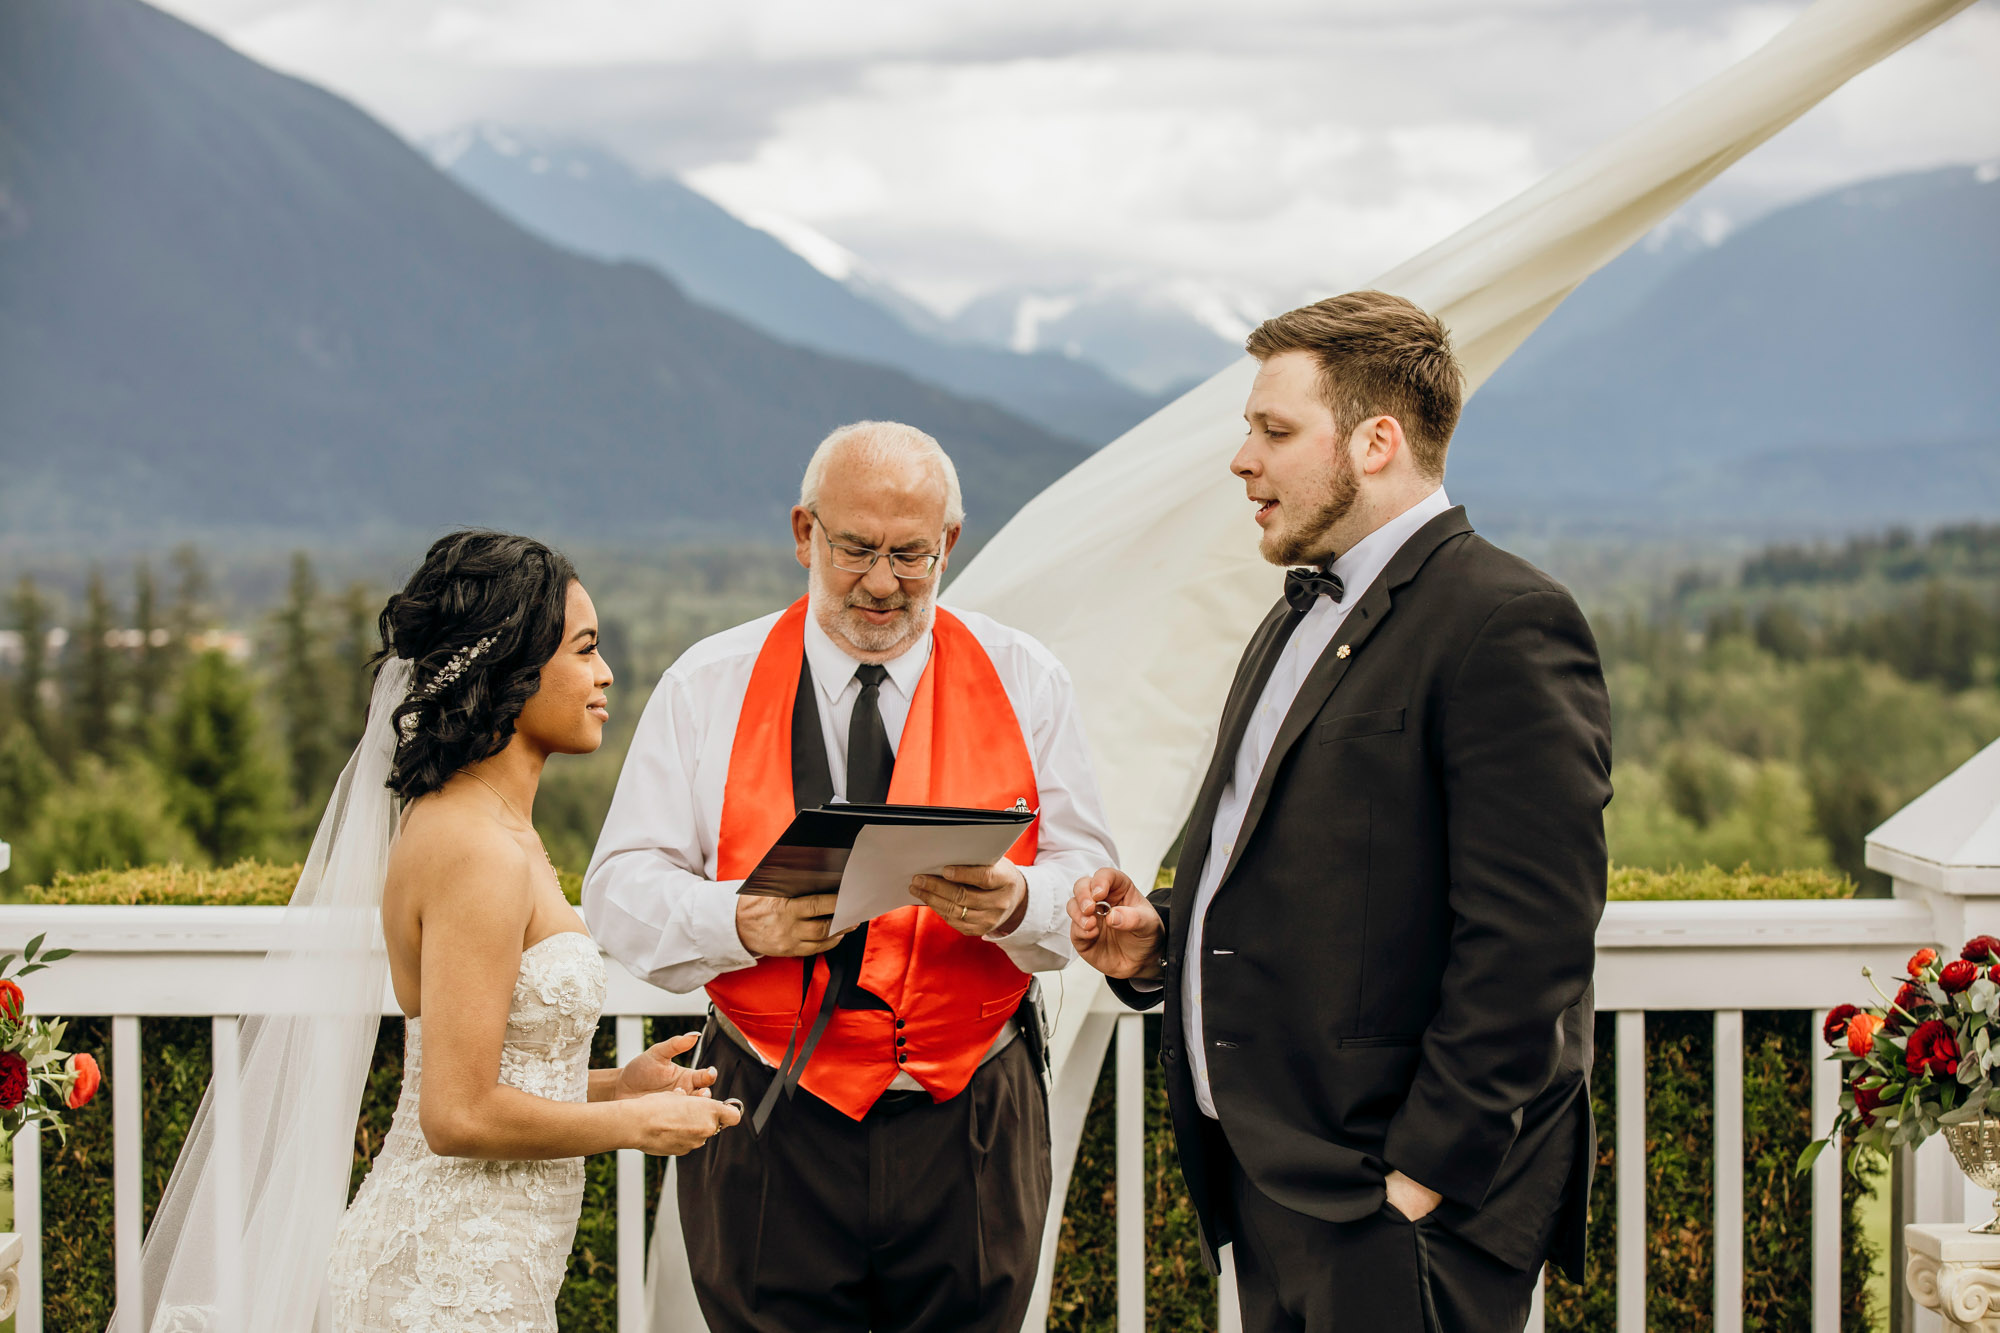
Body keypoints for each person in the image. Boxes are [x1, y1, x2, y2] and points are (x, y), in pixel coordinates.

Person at [1068, 293, 1611, 1333]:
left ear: (1374, 442)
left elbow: (1531, 941)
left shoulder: (1503, 622)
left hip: (1390, 1203)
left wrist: (1418, 1181)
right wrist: (1161, 941)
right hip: (1274, 1184)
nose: (1241, 459)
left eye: (1272, 431)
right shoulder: (1292, 621)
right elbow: (1318, 877)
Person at [130, 530, 740, 1333]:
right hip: (443, 1281)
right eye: (585, 650)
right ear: (511, 670)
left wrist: (612, 1086)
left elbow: (470, 1067)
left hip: (482, 1270)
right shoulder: (474, 849)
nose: (605, 675)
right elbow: (456, 1113)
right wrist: (632, 1126)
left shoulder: (483, 829)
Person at [585, 421, 1119, 1333]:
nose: (881, 582)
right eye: (856, 549)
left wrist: (1020, 900)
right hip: (763, 1110)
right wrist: (738, 921)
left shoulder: (1026, 677)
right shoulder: (705, 682)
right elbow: (618, 890)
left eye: (910, 555)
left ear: (950, 543)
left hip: (971, 1116)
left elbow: (1089, 882)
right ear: (803, 534)